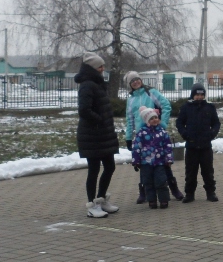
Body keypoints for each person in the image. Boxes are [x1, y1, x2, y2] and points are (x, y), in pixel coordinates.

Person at [124, 72, 183, 203]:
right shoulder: (131, 100)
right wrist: (128, 137)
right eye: (132, 81)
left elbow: (166, 105)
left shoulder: (151, 92)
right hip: (142, 136)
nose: (135, 82)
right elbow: (130, 119)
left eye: (137, 79)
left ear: (141, 80)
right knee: (144, 166)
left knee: (163, 164)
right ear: (129, 85)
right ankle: (144, 192)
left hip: (156, 133)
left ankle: (174, 188)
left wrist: (162, 123)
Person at [75, 52, 120, 218]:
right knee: (94, 169)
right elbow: (84, 110)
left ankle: (101, 199)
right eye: (100, 66)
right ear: (92, 68)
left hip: (103, 134)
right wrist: (100, 120)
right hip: (91, 135)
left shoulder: (98, 84)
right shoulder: (87, 85)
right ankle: (91, 205)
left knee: (110, 166)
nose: (103, 69)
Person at [175, 83, 221, 202]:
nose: (199, 97)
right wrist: (185, 134)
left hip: (205, 146)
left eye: (201, 95)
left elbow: (216, 123)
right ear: (192, 95)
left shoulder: (210, 107)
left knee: (208, 171)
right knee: (190, 172)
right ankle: (189, 194)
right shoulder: (186, 107)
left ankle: (211, 192)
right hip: (191, 145)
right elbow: (179, 122)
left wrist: (212, 133)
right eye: (197, 95)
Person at [131, 106, 174, 209]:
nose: (154, 120)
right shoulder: (141, 133)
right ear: (147, 121)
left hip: (160, 162)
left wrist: (168, 158)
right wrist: (136, 160)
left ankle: (164, 200)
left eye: (156, 117)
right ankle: (152, 200)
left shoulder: (162, 132)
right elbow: (136, 147)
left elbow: (167, 146)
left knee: (161, 181)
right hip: (146, 163)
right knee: (148, 182)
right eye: (151, 118)